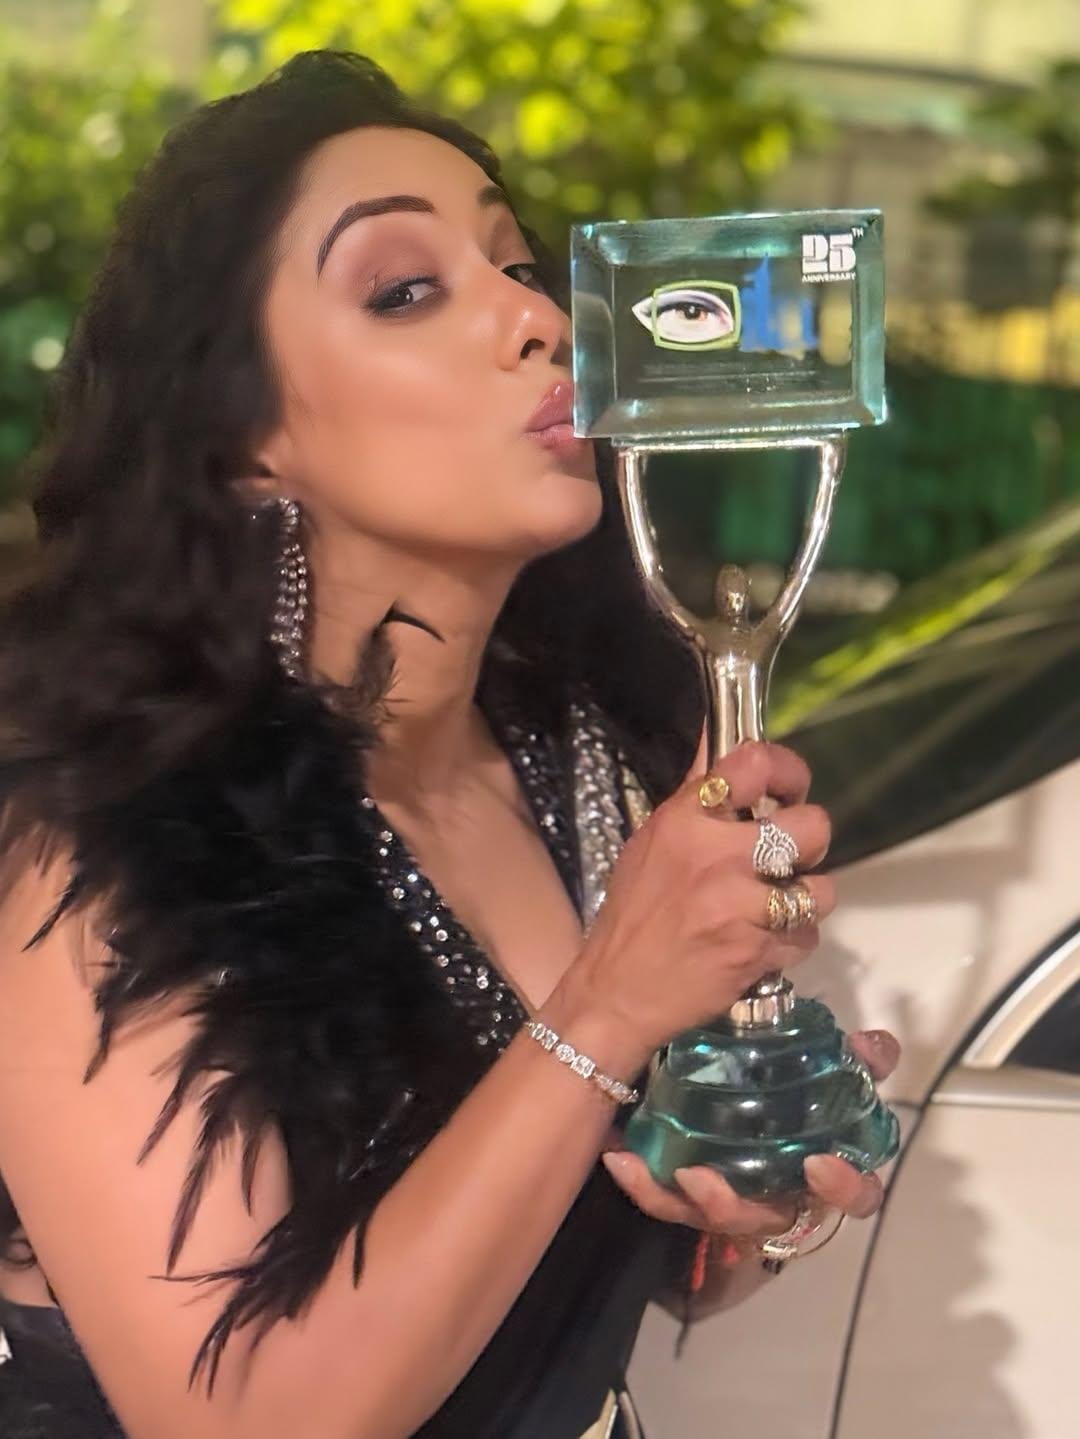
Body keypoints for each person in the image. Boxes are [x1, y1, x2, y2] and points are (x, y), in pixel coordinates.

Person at [0, 51, 898, 1439]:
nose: (537, 318)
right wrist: (606, 1006)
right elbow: (240, 1419)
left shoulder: (588, 758)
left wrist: (742, 1199)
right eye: (404, 290)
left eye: (519, 266)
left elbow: (568, 1269)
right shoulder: (103, 835)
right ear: (243, 435)